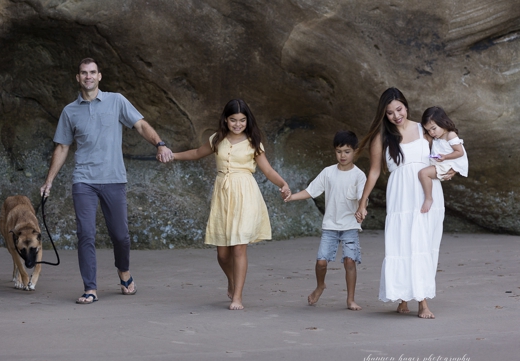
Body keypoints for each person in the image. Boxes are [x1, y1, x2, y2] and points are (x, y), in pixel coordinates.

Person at [39, 58, 173, 305]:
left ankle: (124, 271)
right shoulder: (70, 111)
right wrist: (49, 181)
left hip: (113, 178)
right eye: (83, 73)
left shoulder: (116, 100)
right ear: (77, 78)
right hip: (84, 180)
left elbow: (141, 125)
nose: (88, 76)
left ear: (99, 76)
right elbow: (62, 147)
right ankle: (90, 288)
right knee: (85, 234)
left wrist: (160, 143)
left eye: (92, 72)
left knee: (120, 236)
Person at [168, 99, 291, 310]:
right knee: (222, 254)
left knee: (238, 249)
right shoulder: (217, 139)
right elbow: (197, 153)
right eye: (233, 120)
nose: (237, 124)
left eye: (242, 120)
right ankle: (232, 280)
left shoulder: (254, 142)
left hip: (245, 194)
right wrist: (173, 156)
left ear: (247, 121)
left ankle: (238, 297)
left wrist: (283, 184)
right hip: (222, 196)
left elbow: (268, 170)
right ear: (226, 120)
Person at [355, 88, 455, 319]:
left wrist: (449, 171)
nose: (396, 115)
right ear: (384, 114)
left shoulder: (424, 130)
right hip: (401, 195)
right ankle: (408, 299)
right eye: (389, 112)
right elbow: (373, 172)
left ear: (406, 106)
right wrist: (362, 203)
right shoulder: (381, 138)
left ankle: (419, 300)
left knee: (423, 243)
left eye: (399, 109)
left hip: (427, 193)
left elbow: (445, 153)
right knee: (403, 243)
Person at [284, 131, 367, 310]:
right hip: (330, 226)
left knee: (349, 261)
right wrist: (291, 197)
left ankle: (350, 299)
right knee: (321, 262)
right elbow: (311, 190)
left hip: (350, 225)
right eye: (338, 151)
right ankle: (320, 285)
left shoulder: (359, 175)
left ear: (355, 151)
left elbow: (363, 197)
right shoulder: (328, 172)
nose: (342, 155)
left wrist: (362, 209)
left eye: (347, 151)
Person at [417, 107, 468, 214]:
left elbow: (459, 152)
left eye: (433, 128)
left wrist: (445, 157)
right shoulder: (437, 137)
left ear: (443, 122)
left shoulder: (450, 135)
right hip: (441, 163)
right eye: (428, 130)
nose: (431, 132)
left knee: (423, 173)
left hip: (447, 164)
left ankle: (428, 198)